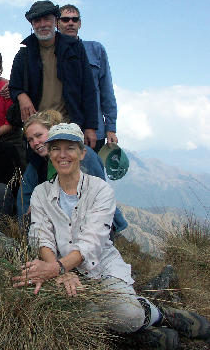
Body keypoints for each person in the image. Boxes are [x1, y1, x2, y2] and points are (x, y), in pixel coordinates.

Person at [12, 123, 209, 349]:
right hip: (59, 268)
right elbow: (40, 236)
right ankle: (140, 336)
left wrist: (57, 269)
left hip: (100, 265)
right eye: (56, 148)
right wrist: (58, 271)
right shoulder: (41, 193)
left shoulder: (100, 191)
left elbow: (92, 242)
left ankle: (157, 314)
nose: (62, 155)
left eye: (70, 148)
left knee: (128, 314)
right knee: (49, 312)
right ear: (49, 153)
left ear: (82, 153)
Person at [16, 110, 127, 235]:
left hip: (93, 224)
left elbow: (99, 195)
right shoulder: (38, 161)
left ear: (52, 130)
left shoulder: (85, 156)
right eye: (30, 140)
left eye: (39, 135)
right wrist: (25, 229)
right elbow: (24, 194)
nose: (35, 143)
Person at [8, 0, 98, 150]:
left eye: (47, 19)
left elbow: (88, 88)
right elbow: (14, 86)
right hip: (38, 129)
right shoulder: (24, 54)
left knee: (72, 169)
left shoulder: (75, 48)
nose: (43, 24)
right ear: (32, 24)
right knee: (39, 172)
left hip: (69, 124)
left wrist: (90, 127)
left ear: (55, 21)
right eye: (37, 20)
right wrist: (21, 96)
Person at [57, 4, 118, 153]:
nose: (70, 23)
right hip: (60, 128)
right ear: (57, 24)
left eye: (74, 19)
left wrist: (111, 128)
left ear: (80, 23)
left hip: (93, 131)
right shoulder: (50, 52)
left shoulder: (96, 49)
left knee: (92, 175)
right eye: (65, 19)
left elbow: (106, 90)